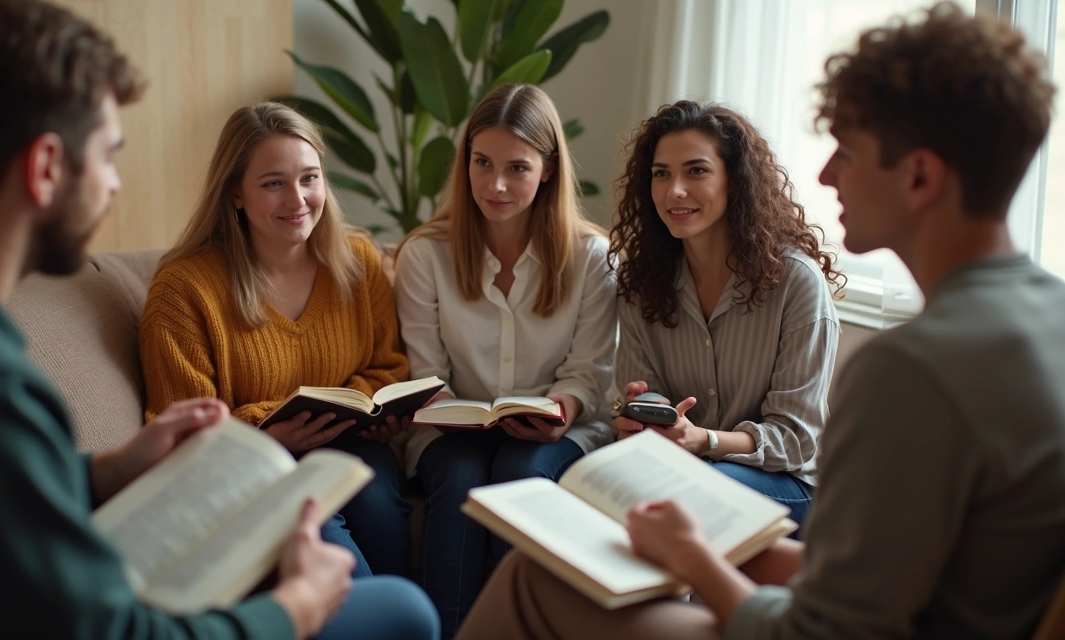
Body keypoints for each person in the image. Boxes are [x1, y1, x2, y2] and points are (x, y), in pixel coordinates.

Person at [453, 3, 1065, 639]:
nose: (826, 173)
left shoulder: (910, 369)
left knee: (534, 579)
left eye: (848, 151)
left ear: (919, 176)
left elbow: (818, 629)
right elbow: (919, 579)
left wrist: (696, 557)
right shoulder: (1049, 318)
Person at [0, 2, 438, 639]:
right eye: (108, 155)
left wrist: (102, 472)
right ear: (46, 167)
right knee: (405, 612)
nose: (113, 186)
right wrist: (291, 609)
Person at [139, 102, 414, 579]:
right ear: (236, 194)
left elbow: (388, 364)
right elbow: (180, 426)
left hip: (351, 446)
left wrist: (371, 411)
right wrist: (268, 430)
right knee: (337, 560)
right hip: (254, 468)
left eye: (310, 178)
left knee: (381, 511)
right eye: (273, 183)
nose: (298, 199)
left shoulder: (358, 262)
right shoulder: (184, 290)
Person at [394, 83, 617, 638]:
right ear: (465, 161)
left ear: (547, 169)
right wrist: (453, 413)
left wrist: (562, 406)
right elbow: (426, 373)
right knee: (466, 474)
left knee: (522, 472)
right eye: (482, 162)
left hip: (558, 428)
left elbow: (589, 371)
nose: (494, 184)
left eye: (516, 167)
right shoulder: (426, 254)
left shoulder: (591, 257)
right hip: (451, 429)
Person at [609, 100, 843, 529]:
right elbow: (647, 392)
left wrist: (705, 440)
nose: (674, 190)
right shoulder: (642, 281)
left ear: (735, 181)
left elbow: (796, 439)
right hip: (679, 469)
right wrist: (650, 412)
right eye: (661, 173)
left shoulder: (796, 283)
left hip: (785, 484)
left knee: (695, 494)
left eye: (696, 171)